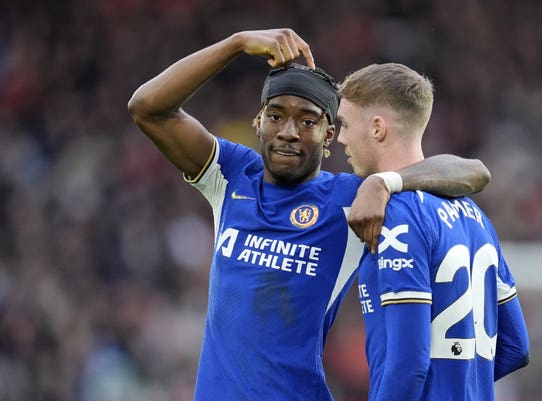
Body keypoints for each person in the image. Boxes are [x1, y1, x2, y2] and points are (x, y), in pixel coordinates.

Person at [127, 28, 490, 401]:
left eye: (307, 121)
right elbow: (147, 107)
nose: (288, 131)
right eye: (276, 115)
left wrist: (387, 182)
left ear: (329, 136)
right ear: (259, 122)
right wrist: (235, 44)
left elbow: (473, 171)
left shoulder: (349, 196)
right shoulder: (232, 174)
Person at [337, 63, 529, 401]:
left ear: (378, 128)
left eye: (345, 124)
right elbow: (515, 347)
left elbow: (408, 364)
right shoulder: (477, 217)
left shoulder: (395, 214)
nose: (340, 137)